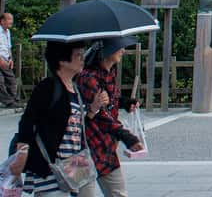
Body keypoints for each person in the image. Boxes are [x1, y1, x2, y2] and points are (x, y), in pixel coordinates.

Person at [10, 40, 97, 196]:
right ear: (62, 60)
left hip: (73, 165)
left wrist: (93, 110)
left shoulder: (75, 89)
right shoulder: (48, 87)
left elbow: (77, 127)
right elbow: (27, 122)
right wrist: (21, 153)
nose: (82, 59)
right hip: (51, 166)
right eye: (78, 55)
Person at [77, 37, 144, 197]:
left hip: (105, 145)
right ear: (106, 51)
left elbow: (110, 101)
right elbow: (101, 116)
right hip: (84, 146)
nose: (123, 50)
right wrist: (126, 136)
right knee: (85, 195)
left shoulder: (109, 72)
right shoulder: (88, 77)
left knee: (118, 193)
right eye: (119, 47)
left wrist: (125, 103)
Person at [0, 12, 18, 107]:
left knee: (11, 80)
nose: (11, 21)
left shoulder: (7, 32)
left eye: (12, 19)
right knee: (0, 81)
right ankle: (7, 101)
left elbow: (8, 46)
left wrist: (10, 58)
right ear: (2, 21)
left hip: (6, 59)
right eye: (9, 19)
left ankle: (13, 100)